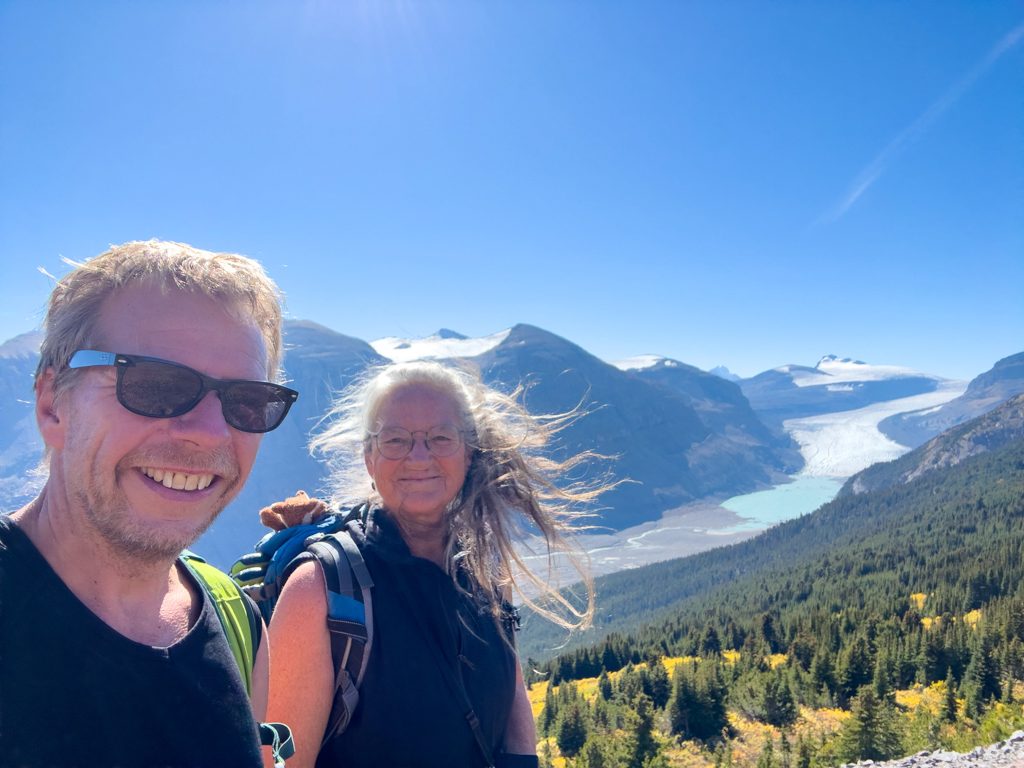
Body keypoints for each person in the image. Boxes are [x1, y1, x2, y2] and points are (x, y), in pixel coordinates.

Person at [0, 240, 297, 767]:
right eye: (156, 384)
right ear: (52, 405)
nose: (209, 433)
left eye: (247, 401)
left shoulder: (238, 621)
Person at [266, 361, 608, 768]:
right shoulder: (321, 589)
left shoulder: (485, 565)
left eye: (441, 437)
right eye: (395, 440)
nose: (419, 457)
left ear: (470, 453)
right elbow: (280, 762)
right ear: (369, 459)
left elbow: (510, 683)